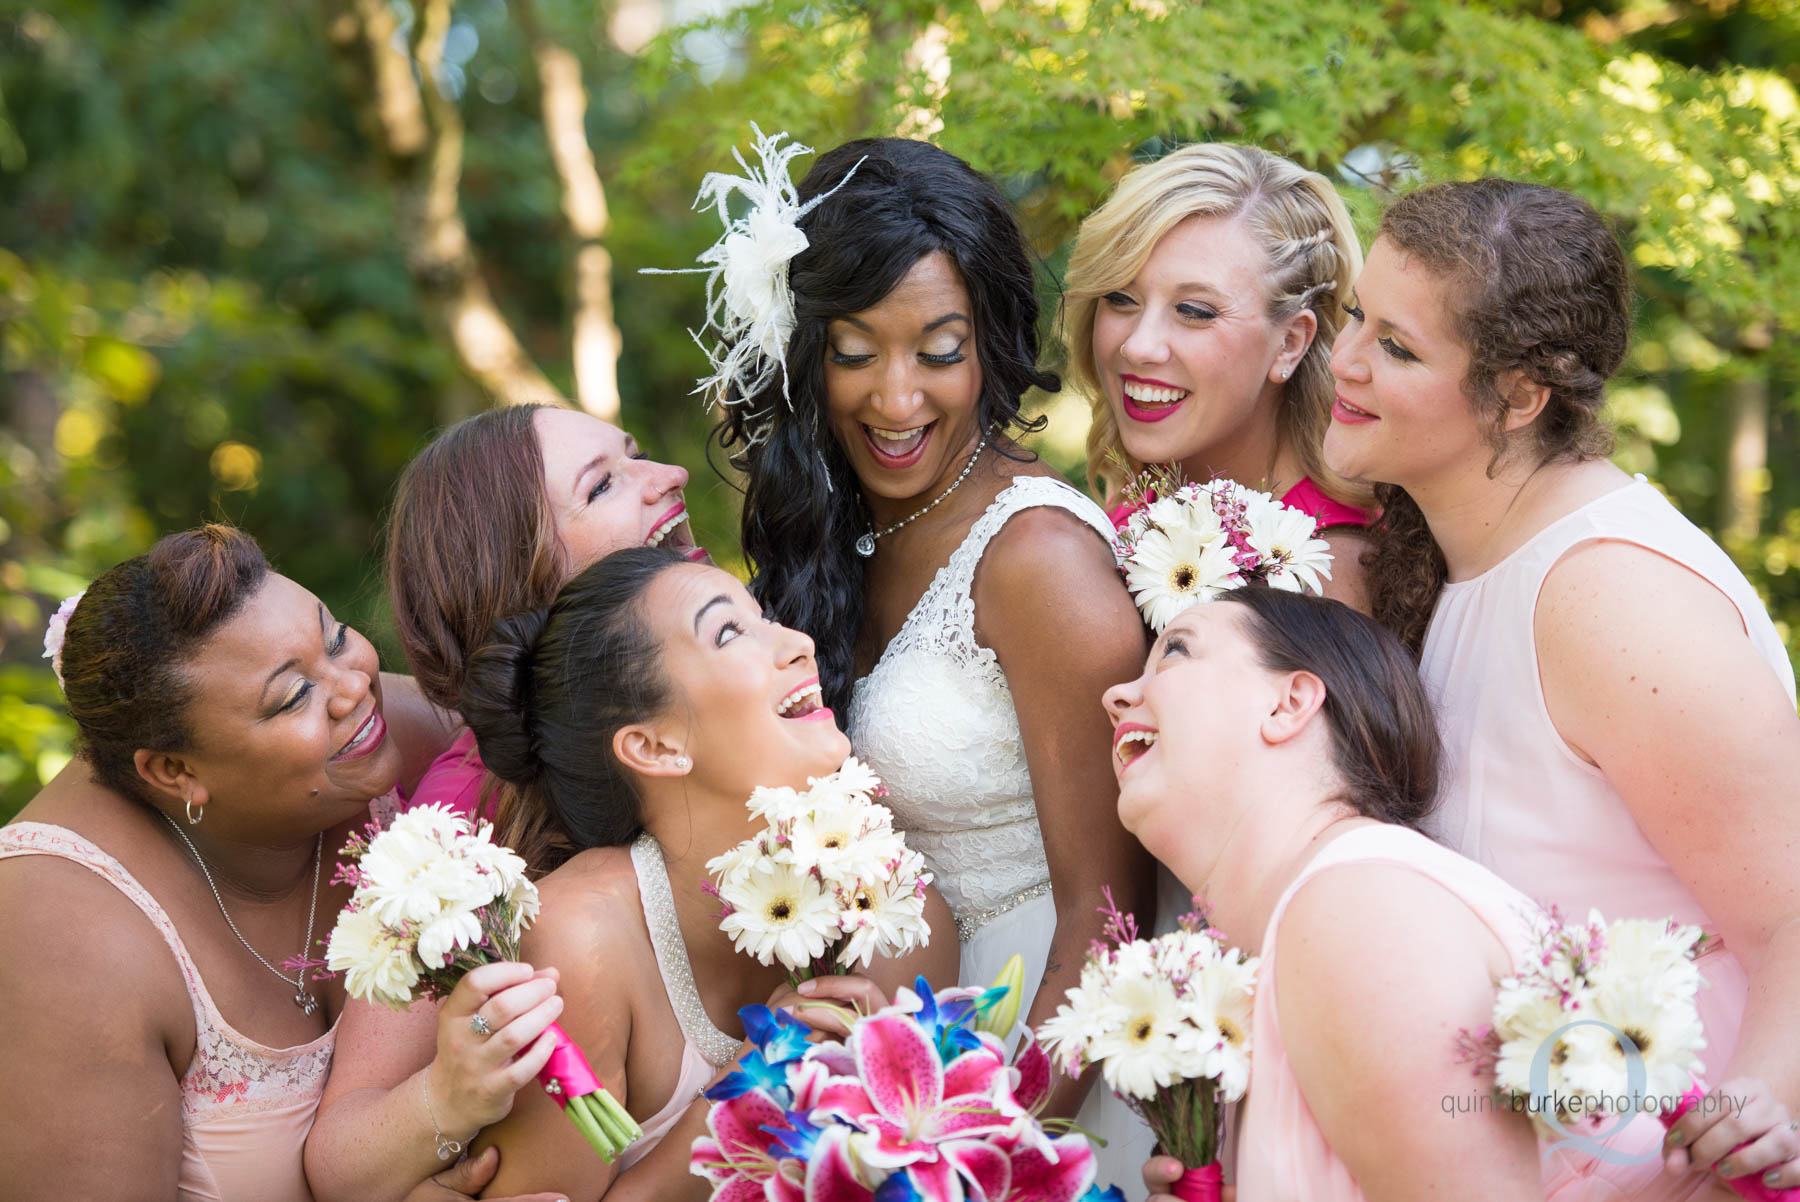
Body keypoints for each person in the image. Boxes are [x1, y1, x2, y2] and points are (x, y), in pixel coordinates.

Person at [696, 134, 1155, 1183]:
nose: (896, 400)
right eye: (856, 350)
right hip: (897, 1073)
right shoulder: (835, 528)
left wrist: (993, 1140)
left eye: (938, 351)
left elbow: (1111, 914)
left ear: (989, 345)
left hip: (1044, 1064)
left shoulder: (1039, 560)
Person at [1328, 177, 1800, 1191]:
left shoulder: (1609, 595)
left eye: (1397, 347)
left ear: (1518, 396)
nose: (1345, 360)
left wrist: (1751, 1118)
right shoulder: (1456, 558)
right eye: (1354, 316)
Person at [1112, 589, 1734, 1201]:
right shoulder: (1316, 924)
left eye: (1176, 651)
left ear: (1289, 702)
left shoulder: (1360, 910)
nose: (1117, 698)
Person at [0, 525, 549, 1202]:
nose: (354, 686)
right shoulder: (61, 940)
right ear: (175, 771)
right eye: (293, 697)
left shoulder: (372, 730)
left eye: (337, 633)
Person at [455, 547, 960, 1198]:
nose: (799, 644)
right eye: (730, 632)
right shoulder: (577, 942)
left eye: (767, 618)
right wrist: (743, 1102)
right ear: (654, 746)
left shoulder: (888, 909)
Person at [307, 404, 702, 1202]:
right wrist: (444, 1103)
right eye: (605, 485)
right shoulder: (457, 821)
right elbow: (341, 1158)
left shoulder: (748, 684)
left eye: (640, 453)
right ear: (524, 580)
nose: (671, 477)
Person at [1063, 141, 1374, 611]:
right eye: (1120, 298)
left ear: (1290, 342)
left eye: (1194, 311)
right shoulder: (1143, 501)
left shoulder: (1326, 574)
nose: (1138, 346)